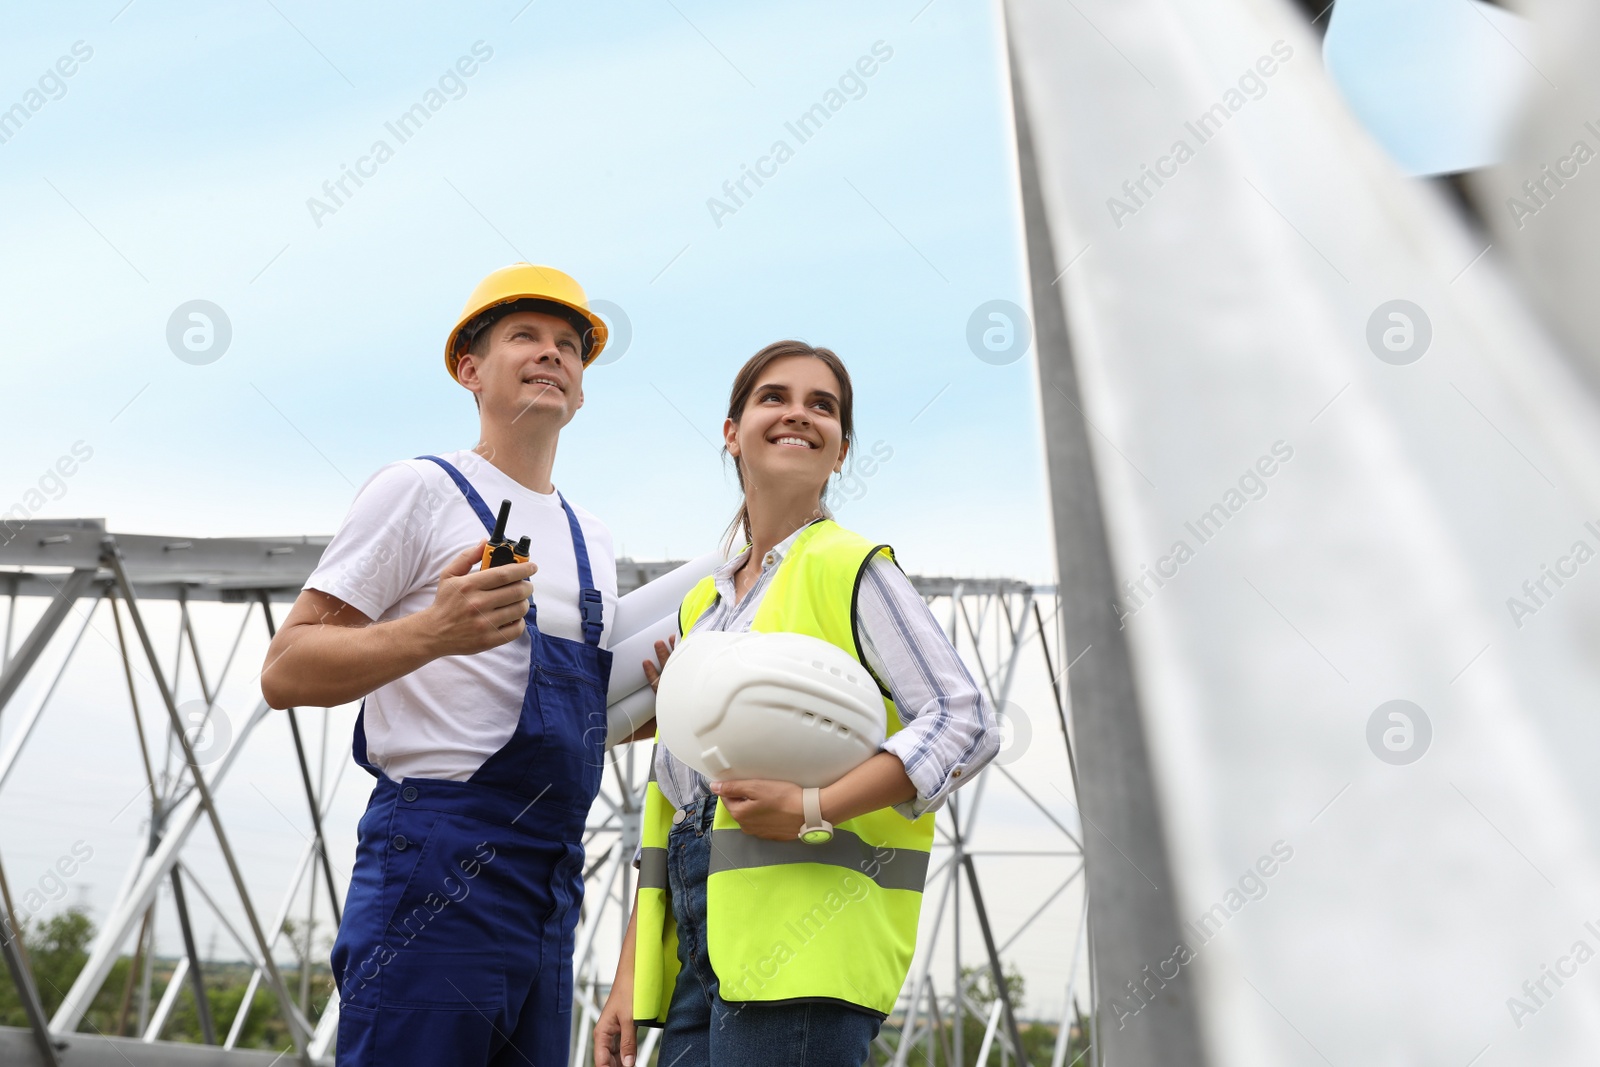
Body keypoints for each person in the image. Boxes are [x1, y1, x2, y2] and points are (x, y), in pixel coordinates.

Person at [593, 341, 1002, 1067]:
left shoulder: (849, 566)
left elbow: (963, 721)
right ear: (732, 430)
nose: (799, 414)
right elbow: (672, 799)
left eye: (824, 406)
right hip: (699, 949)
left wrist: (815, 807)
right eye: (774, 397)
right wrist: (633, 968)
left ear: (842, 450)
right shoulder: (702, 608)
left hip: (806, 953)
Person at [261, 263, 627, 1066]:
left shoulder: (590, 537)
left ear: (583, 386)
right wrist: (431, 632)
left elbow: (556, 708)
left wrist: (656, 703)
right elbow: (285, 668)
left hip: (554, 876)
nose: (551, 354)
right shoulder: (419, 489)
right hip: (438, 854)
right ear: (469, 367)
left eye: (569, 345)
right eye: (524, 336)